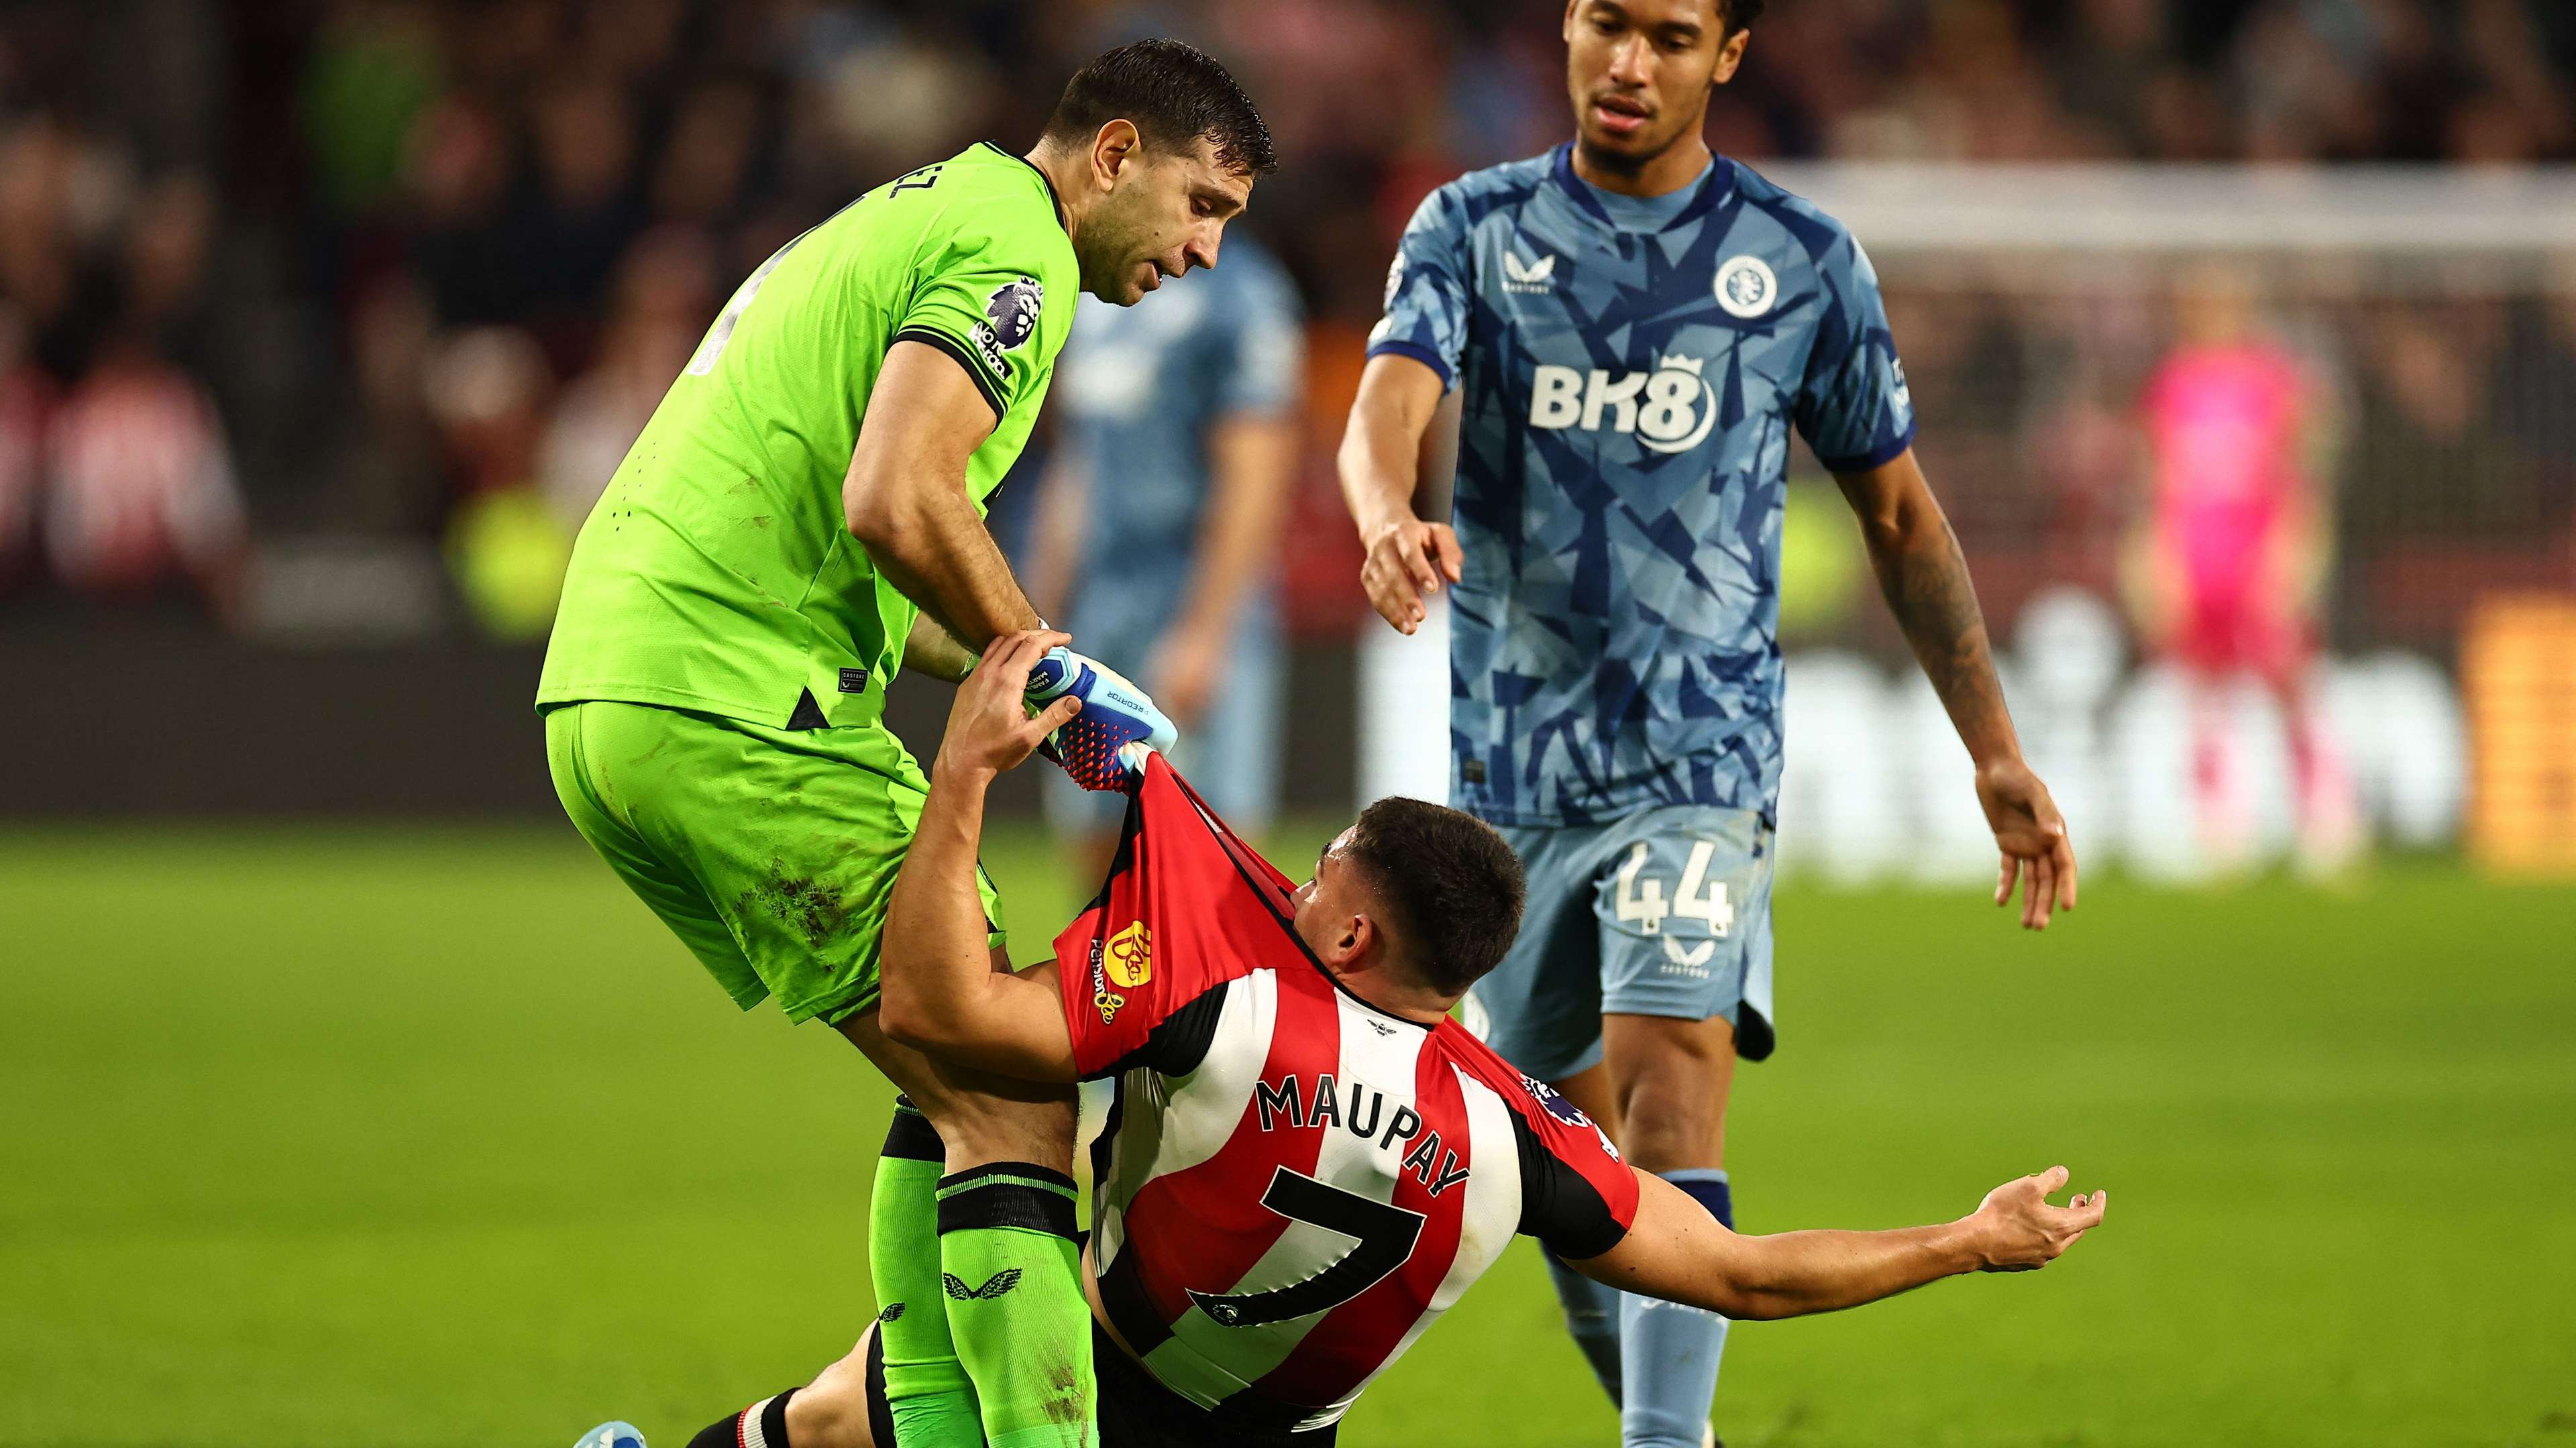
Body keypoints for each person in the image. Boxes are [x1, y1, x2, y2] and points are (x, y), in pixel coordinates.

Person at [737, 631, 2103, 1448]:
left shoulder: (1231, 1010)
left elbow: (940, 1010)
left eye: (1326, 865)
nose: (1301, 874)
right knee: (830, 1416)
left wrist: (967, 772)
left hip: (1089, 1367)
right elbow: (1744, 1274)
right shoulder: (1516, 1130)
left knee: (872, 1341)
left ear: (1352, 938)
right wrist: (1966, 1239)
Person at [1334, 3, 2080, 1443]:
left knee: (1674, 1090)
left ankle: (1661, 1441)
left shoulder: (1801, 262)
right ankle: (1680, 1423)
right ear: (1567, 27)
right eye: (1609, 24)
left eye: (1672, 36)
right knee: (1568, 1162)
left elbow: (1902, 513)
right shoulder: (1471, 227)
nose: (1631, 64)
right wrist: (1383, 516)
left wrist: (1993, 743)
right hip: (1513, 776)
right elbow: (1388, 400)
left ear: (1729, 56)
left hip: (1702, 760)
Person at [539, 40, 1275, 1448]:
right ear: (1114, 155)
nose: (1202, 250)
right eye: (1202, 206)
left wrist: (1037, 655)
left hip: (625, 688)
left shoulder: (925, 211)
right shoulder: (1019, 254)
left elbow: (881, 552)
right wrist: (1045, 661)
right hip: (735, 693)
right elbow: (898, 493)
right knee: (1016, 1091)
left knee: (960, 1048)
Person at [1025, 229, 1305, 879]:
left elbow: (1255, 473)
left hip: (1187, 591)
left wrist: (1206, 630)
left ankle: (1214, 987)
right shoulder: (1097, 291)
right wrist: (1038, 610)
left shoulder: (1245, 294)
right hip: (1099, 600)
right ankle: (1112, 986)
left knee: (1207, 845)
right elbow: (1077, 461)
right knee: (1093, 841)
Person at [2129, 264, 2353, 872]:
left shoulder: (2275, 382)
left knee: (2291, 684)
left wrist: (2296, 550)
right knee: (2203, 695)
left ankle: (2327, 817)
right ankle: (2219, 827)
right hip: (2200, 558)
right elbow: (2160, 484)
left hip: (2259, 557)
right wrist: (2157, 557)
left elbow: (2300, 477)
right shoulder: (2173, 384)